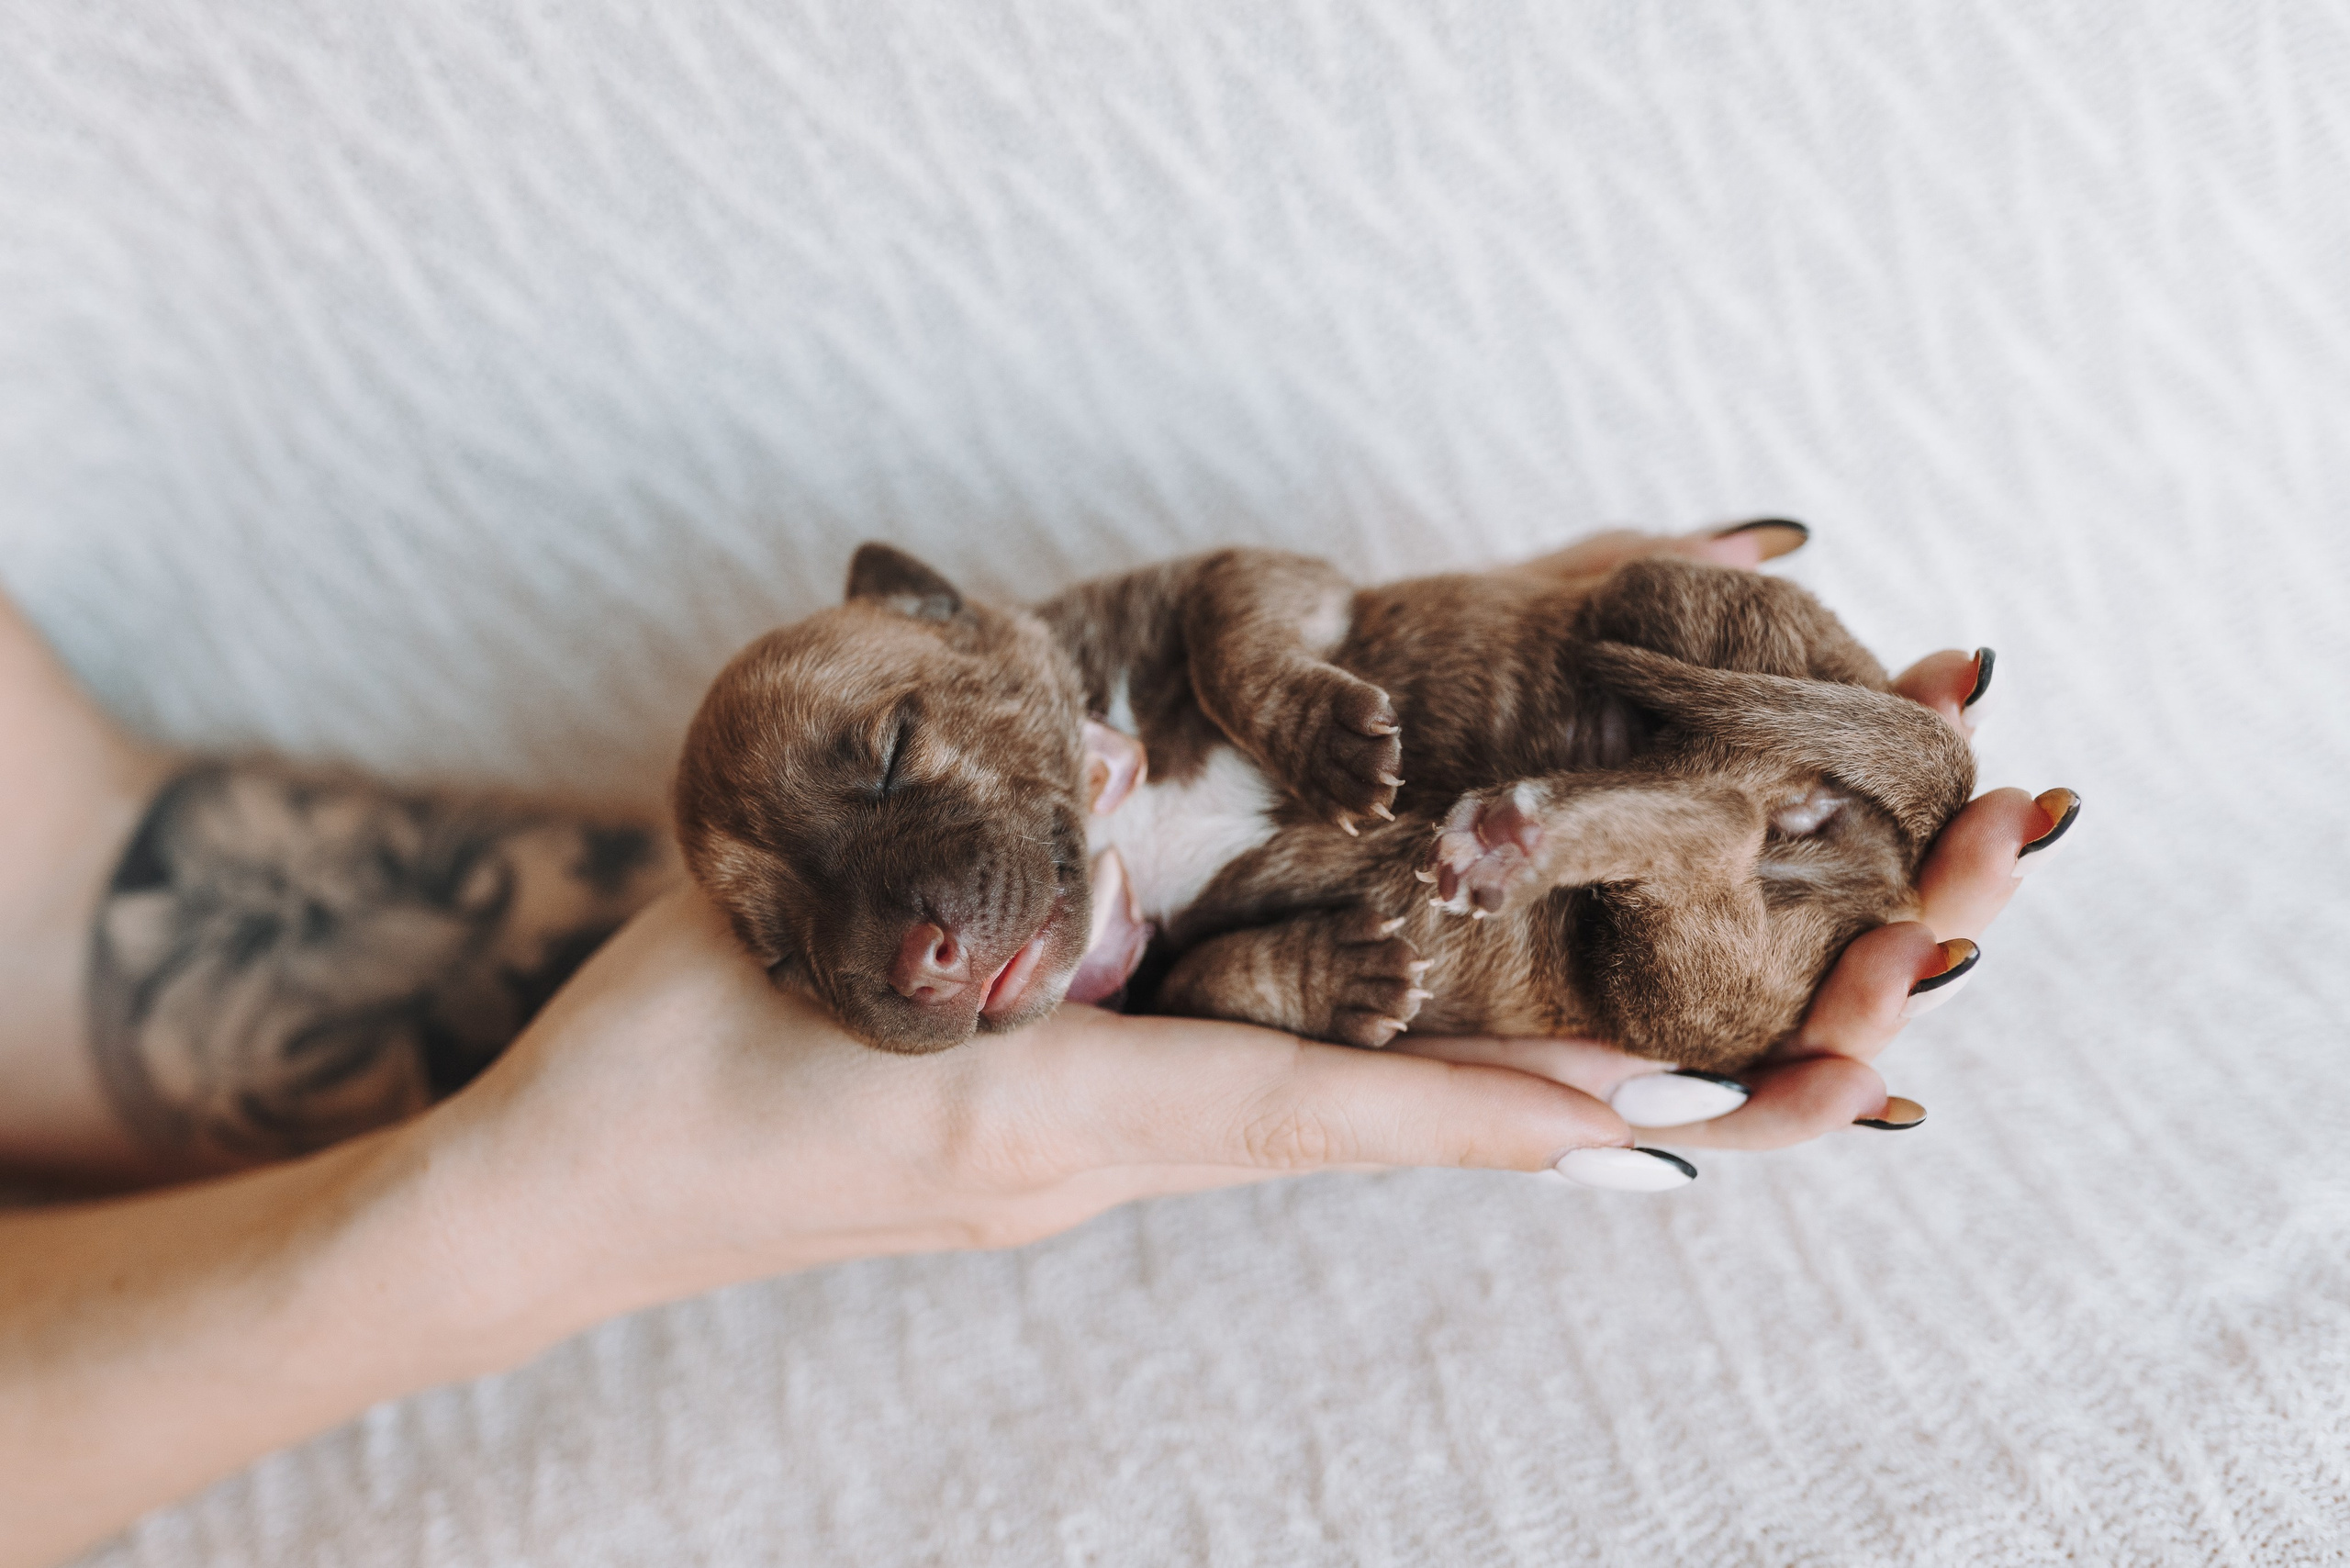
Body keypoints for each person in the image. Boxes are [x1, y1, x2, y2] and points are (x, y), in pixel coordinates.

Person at [0, 526, 2070, 1568]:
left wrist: (1375, 685)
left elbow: (63, 884)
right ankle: (1655, 833)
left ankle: (1663, 808)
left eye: (892, 748)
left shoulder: (1071, 649)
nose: (890, 921)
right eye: (783, 933)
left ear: (953, 617)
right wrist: (506, 1227)